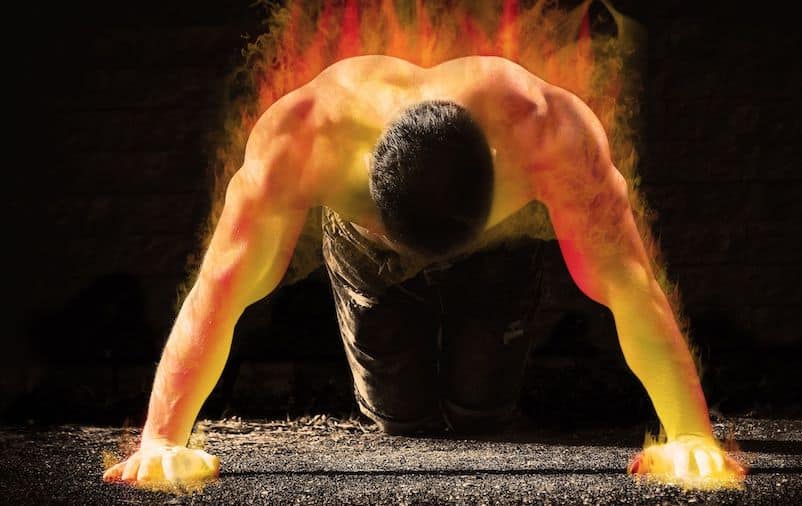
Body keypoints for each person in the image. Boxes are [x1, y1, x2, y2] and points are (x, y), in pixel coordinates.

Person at [103, 54, 744, 487]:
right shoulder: (301, 137)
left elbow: (628, 283)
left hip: (499, 254)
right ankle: (395, 336)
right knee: (403, 418)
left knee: (480, 414)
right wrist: (161, 440)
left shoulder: (550, 132)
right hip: (368, 257)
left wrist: (690, 433)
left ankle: (483, 355)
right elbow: (222, 285)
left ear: (499, 162)